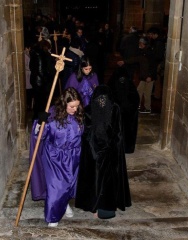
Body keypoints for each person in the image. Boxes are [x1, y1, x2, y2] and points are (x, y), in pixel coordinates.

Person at [29, 87, 84, 227]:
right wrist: (40, 123)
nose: (75, 109)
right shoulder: (52, 117)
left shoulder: (78, 115)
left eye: (77, 106)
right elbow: (38, 136)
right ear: (64, 103)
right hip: (55, 156)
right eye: (72, 106)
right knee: (56, 186)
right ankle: (52, 216)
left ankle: (64, 205)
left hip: (74, 156)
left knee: (69, 184)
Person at [75, 85, 132, 219]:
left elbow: (115, 133)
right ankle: (99, 206)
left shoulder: (95, 109)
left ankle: (101, 207)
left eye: (104, 99)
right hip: (101, 153)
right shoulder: (111, 108)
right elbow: (116, 133)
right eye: (100, 99)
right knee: (102, 180)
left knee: (101, 180)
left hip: (102, 153)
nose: (102, 102)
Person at [107, 67, 140, 153]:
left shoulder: (128, 87)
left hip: (128, 113)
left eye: (124, 79)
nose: (122, 81)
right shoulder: (114, 86)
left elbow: (135, 100)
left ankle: (126, 148)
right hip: (121, 112)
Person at [29, 39, 56, 120]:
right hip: (41, 83)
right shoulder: (42, 55)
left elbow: (32, 67)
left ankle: (37, 117)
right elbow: (41, 70)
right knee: (41, 102)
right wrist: (47, 78)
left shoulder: (34, 53)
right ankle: (40, 118)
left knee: (38, 101)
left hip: (36, 81)